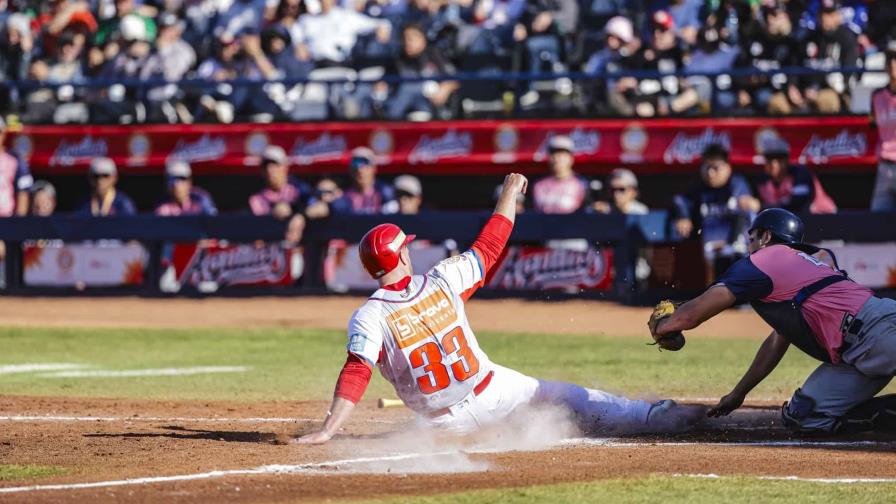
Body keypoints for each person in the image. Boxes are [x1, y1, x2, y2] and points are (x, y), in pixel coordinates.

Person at [294, 173, 700, 444]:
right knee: (566, 397)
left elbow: (356, 371)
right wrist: (509, 193)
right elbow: (491, 243)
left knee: (408, 440)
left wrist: (330, 430)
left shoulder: (369, 315)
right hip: (493, 391)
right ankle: (650, 418)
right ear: (401, 256)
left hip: (440, 425)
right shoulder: (441, 281)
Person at [651, 208, 896, 436]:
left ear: (766, 236)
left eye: (752, 237)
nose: (749, 245)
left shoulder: (763, 260)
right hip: (860, 350)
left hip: (878, 330)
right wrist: (739, 393)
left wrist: (665, 326)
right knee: (804, 417)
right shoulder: (803, 265)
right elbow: (777, 341)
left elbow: (693, 314)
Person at [673, 143, 760, 280]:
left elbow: (742, 212)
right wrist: (683, 217)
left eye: (715, 168)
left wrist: (728, 244)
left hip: (740, 254)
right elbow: (680, 201)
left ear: (727, 168)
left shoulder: (737, 184)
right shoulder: (699, 189)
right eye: (707, 167)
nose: (710, 173)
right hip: (711, 254)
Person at [248, 145, 313, 244]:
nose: (270, 170)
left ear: (285, 167)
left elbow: (316, 205)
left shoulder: (299, 190)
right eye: (266, 166)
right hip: (271, 251)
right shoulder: (256, 199)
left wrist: (297, 214)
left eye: (275, 165)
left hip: (302, 248)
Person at [756, 138, 836, 215]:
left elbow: (799, 205)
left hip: (823, 217)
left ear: (787, 160)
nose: (774, 164)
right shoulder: (763, 181)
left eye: (780, 159)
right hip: (791, 222)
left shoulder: (800, 174)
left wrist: (762, 207)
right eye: (769, 159)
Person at [531, 135, 590, 214]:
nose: (556, 158)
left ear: (571, 158)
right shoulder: (538, 185)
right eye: (553, 154)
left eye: (561, 154)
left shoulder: (582, 184)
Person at [332, 147, 398, 215]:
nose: (359, 169)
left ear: (374, 168)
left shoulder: (387, 192)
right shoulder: (343, 195)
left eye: (365, 163)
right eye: (355, 163)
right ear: (350, 169)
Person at [870, 42, 896, 211]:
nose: (893, 64)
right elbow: (872, 124)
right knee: (876, 220)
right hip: (884, 167)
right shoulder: (876, 96)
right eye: (890, 60)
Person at [0, 116, 32, 217]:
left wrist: (18, 224)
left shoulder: (14, 159)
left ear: (4, 133)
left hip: (6, 221)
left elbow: (23, 191)